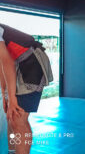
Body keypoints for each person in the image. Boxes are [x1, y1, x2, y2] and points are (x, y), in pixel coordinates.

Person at [0, 23, 53, 154]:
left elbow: (7, 63)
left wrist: (12, 98)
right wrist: (4, 93)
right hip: (18, 63)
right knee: (10, 115)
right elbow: (1, 64)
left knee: (18, 117)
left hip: (31, 63)